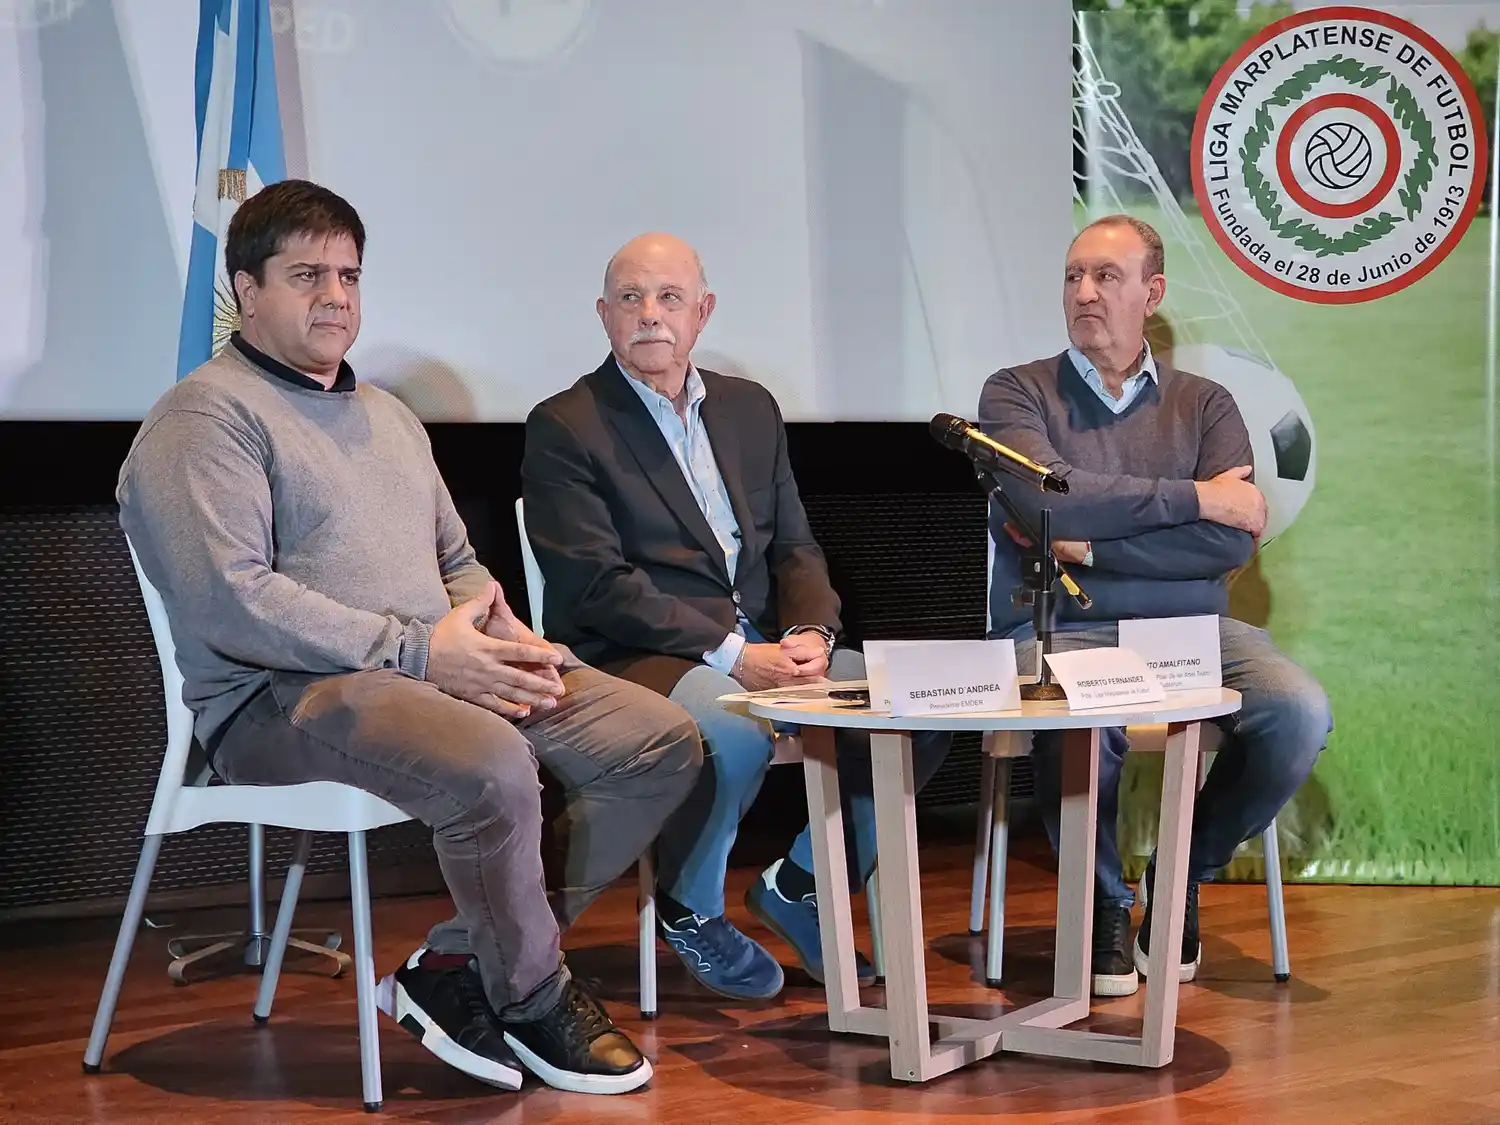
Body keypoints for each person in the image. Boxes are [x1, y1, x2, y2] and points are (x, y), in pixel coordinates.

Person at [117, 182, 704, 1095]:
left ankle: (461, 964)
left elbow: (456, 559)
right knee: (494, 761)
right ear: (246, 288)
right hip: (279, 699)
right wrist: (423, 652)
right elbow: (235, 603)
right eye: (307, 274)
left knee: (654, 738)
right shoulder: (204, 418)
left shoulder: (386, 415)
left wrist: (498, 632)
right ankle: (534, 993)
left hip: (428, 672)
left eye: (349, 275)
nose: (336, 297)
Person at [521, 233, 951, 1002]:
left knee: (922, 704)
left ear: (703, 311)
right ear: (603, 314)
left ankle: (804, 881)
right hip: (630, 653)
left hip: (755, 644)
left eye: (670, 298)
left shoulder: (750, 409)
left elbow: (795, 546)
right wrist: (733, 653)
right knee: (735, 721)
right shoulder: (566, 424)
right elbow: (596, 586)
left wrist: (814, 631)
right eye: (630, 298)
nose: (650, 315)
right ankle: (690, 907)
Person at [978, 214, 1332, 998]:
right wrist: (1195, 499)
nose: (1084, 292)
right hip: (1065, 627)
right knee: (1086, 717)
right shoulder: (1015, 392)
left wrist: (1091, 547)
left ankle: (1179, 878)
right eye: (1073, 276)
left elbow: (1227, 547)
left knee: (1299, 711)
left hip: (1191, 629)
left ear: (1153, 292)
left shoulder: (1207, 405)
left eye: (1106, 275)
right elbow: (1047, 500)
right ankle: (1106, 898)